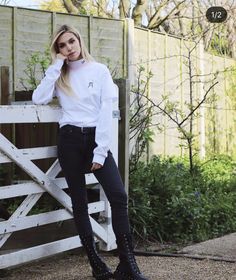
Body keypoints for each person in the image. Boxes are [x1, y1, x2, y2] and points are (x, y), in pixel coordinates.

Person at [32, 24, 148, 280]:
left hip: (96, 139)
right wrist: (55, 66)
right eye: (61, 45)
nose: (68, 48)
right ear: (57, 50)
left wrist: (99, 151)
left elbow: (106, 111)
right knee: (80, 203)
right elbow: (38, 98)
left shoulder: (99, 70)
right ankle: (96, 265)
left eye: (71, 42)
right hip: (70, 140)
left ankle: (128, 264)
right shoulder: (59, 75)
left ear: (79, 41)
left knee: (118, 196)